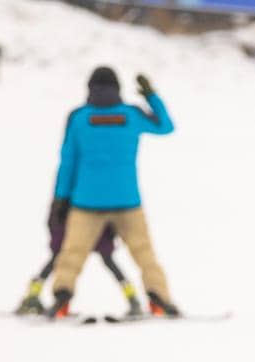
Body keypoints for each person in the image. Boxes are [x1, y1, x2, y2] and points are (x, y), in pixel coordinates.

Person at [46, 67, 178, 319]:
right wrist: (151, 96)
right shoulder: (131, 115)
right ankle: (159, 300)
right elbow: (166, 126)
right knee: (144, 253)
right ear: (118, 88)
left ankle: (62, 300)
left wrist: (60, 199)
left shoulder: (79, 118)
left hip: (86, 201)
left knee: (71, 254)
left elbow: (67, 162)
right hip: (127, 200)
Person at [14, 209, 140, 317]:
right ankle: (133, 299)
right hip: (89, 222)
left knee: (61, 261)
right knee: (107, 262)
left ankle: (40, 298)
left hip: (79, 222)